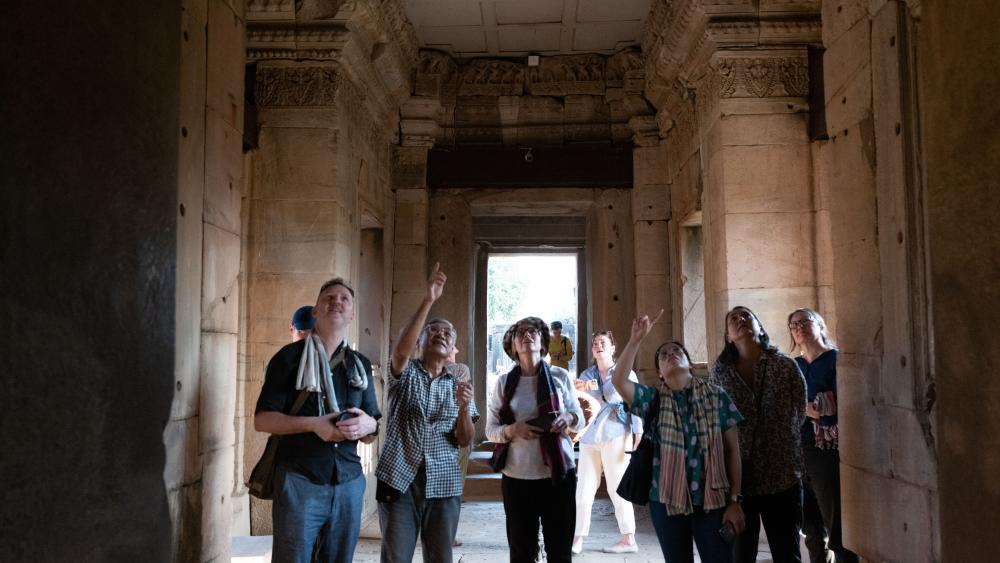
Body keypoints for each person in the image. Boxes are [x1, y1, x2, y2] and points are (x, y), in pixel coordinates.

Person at [254, 278, 381, 563]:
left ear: (351, 315)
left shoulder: (359, 364)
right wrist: (313, 424)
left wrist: (367, 426)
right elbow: (262, 420)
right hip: (300, 478)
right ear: (315, 311)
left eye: (344, 299)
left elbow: (373, 425)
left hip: (348, 480)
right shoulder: (288, 358)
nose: (337, 301)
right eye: (329, 297)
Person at [610, 310, 745, 563]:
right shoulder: (652, 400)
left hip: (712, 500)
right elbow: (619, 381)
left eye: (677, 352)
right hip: (665, 500)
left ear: (690, 363)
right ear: (660, 372)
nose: (670, 355)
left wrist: (735, 500)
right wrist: (635, 340)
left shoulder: (717, 396)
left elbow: (732, 451)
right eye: (663, 355)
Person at [376, 262, 477, 563]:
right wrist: (428, 299)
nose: (441, 335)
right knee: (397, 557)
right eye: (433, 330)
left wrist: (463, 408)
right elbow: (400, 353)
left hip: (443, 483)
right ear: (421, 339)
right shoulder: (405, 374)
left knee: (440, 558)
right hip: (398, 480)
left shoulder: (458, 382)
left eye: (448, 333)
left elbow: (464, 439)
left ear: (453, 348)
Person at [710, 306, 807, 563]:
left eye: (747, 316)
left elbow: (800, 409)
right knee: (741, 554)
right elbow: (714, 420)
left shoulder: (785, 366)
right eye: (733, 318)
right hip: (740, 479)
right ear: (728, 336)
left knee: (787, 552)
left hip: (782, 474)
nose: (741, 320)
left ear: (759, 327)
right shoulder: (720, 373)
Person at [486, 316, 584, 563]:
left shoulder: (560, 376)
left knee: (560, 550)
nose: (526, 335)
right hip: (518, 479)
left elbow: (579, 417)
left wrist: (568, 418)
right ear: (513, 345)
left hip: (558, 476)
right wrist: (512, 430)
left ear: (542, 342)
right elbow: (491, 430)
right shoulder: (504, 382)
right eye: (520, 333)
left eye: (533, 332)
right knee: (521, 552)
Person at [788, 308, 859, 563]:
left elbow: (841, 405)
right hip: (798, 449)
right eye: (794, 324)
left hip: (827, 450)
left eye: (805, 321)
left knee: (836, 522)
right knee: (810, 526)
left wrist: (813, 409)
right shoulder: (793, 365)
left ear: (820, 325)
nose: (799, 327)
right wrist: (812, 408)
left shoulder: (835, 360)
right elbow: (788, 406)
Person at [572, 330, 643, 555]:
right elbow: (579, 404)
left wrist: (638, 433)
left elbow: (637, 402)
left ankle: (628, 538)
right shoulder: (586, 374)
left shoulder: (625, 373)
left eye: (603, 342)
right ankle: (577, 537)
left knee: (617, 487)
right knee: (583, 488)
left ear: (613, 348)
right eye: (594, 343)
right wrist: (577, 390)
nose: (598, 346)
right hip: (590, 436)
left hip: (617, 434)